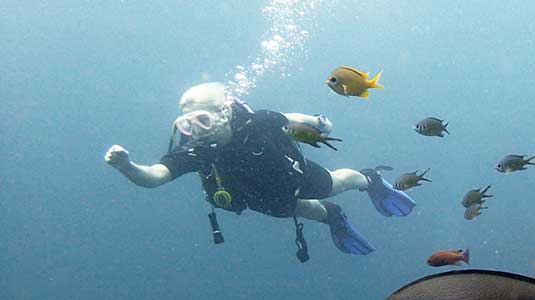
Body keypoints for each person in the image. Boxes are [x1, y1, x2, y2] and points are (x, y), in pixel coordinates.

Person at [104, 82, 415, 259]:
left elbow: (286, 117)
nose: (197, 131)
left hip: (295, 176)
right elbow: (155, 176)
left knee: (336, 182)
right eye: (188, 124)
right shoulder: (197, 150)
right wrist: (126, 166)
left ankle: (370, 180)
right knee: (300, 211)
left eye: (204, 121)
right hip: (259, 200)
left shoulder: (256, 121)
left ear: (224, 113)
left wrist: (318, 122)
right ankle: (334, 217)